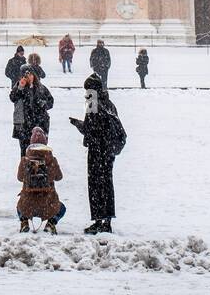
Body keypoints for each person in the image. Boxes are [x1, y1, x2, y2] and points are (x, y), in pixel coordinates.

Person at [69, 73, 127, 234]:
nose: (86, 93)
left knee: (95, 186)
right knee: (107, 184)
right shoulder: (109, 103)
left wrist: (77, 124)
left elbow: (90, 128)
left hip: (97, 150)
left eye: (87, 89)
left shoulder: (92, 103)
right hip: (108, 151)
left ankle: (98, 220)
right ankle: (106, 221)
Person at [16, 126, 66, 234]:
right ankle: (50, 224)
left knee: (19, 206)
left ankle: (24, 222)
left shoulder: (25, 160)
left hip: (28, 204)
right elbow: (59, 177)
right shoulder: (51, 160)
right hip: (48, 204)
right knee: (62, 208)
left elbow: (20, 178)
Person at [10, 65, 54, 156]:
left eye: (30, 74)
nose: (29, 77)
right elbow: (13, 98)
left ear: (34, 75)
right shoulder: (19, 87)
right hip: (24, 124)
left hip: (40, 123)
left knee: (40, 151)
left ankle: (39, 169)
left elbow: (50, 102)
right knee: (25, 152)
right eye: (25, 76)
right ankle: (26, 169)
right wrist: (20, 87)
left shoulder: (41, 88)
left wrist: (42, 104)